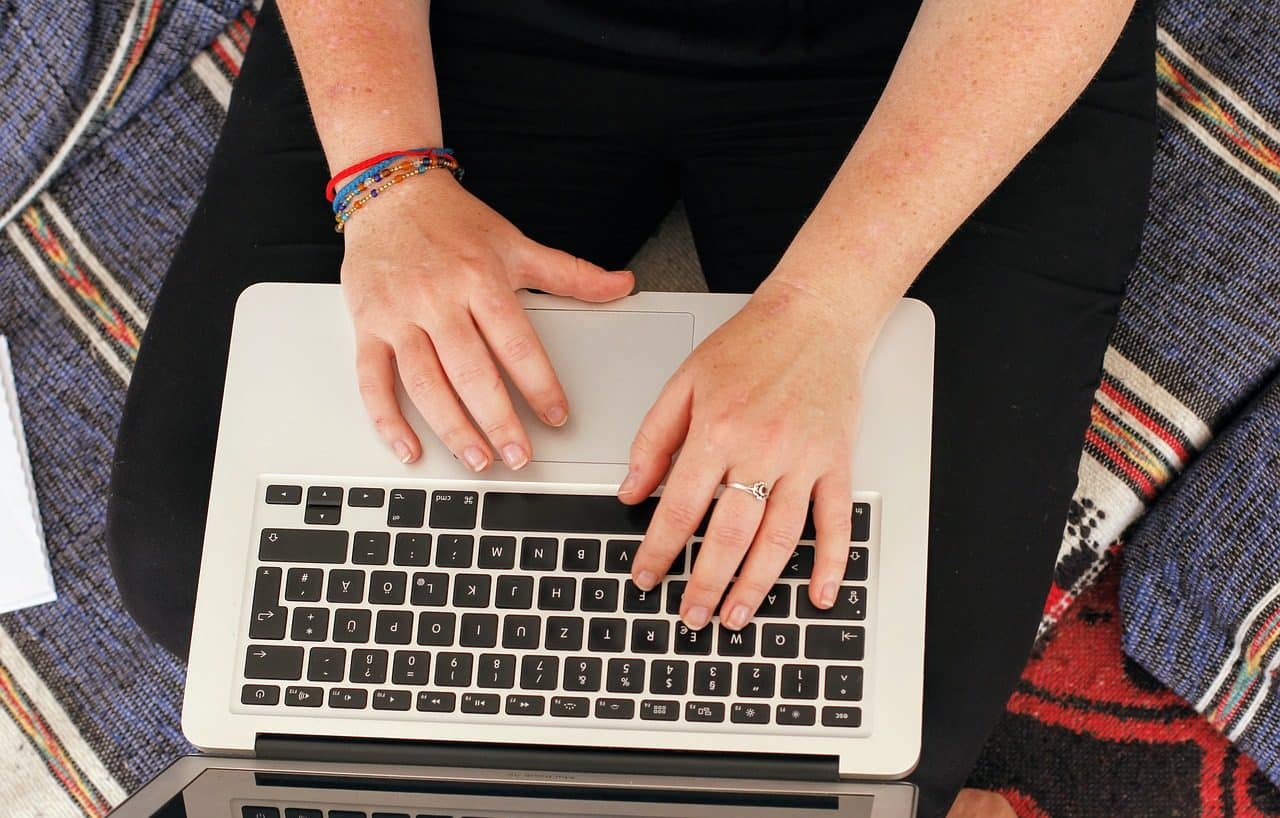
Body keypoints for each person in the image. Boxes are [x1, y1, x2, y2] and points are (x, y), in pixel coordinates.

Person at [106, 2, 1157, 816]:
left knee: (890, 688)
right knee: (204, 560)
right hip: (488, 24)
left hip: (918, 44)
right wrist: (387, 176)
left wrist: (822, 312)